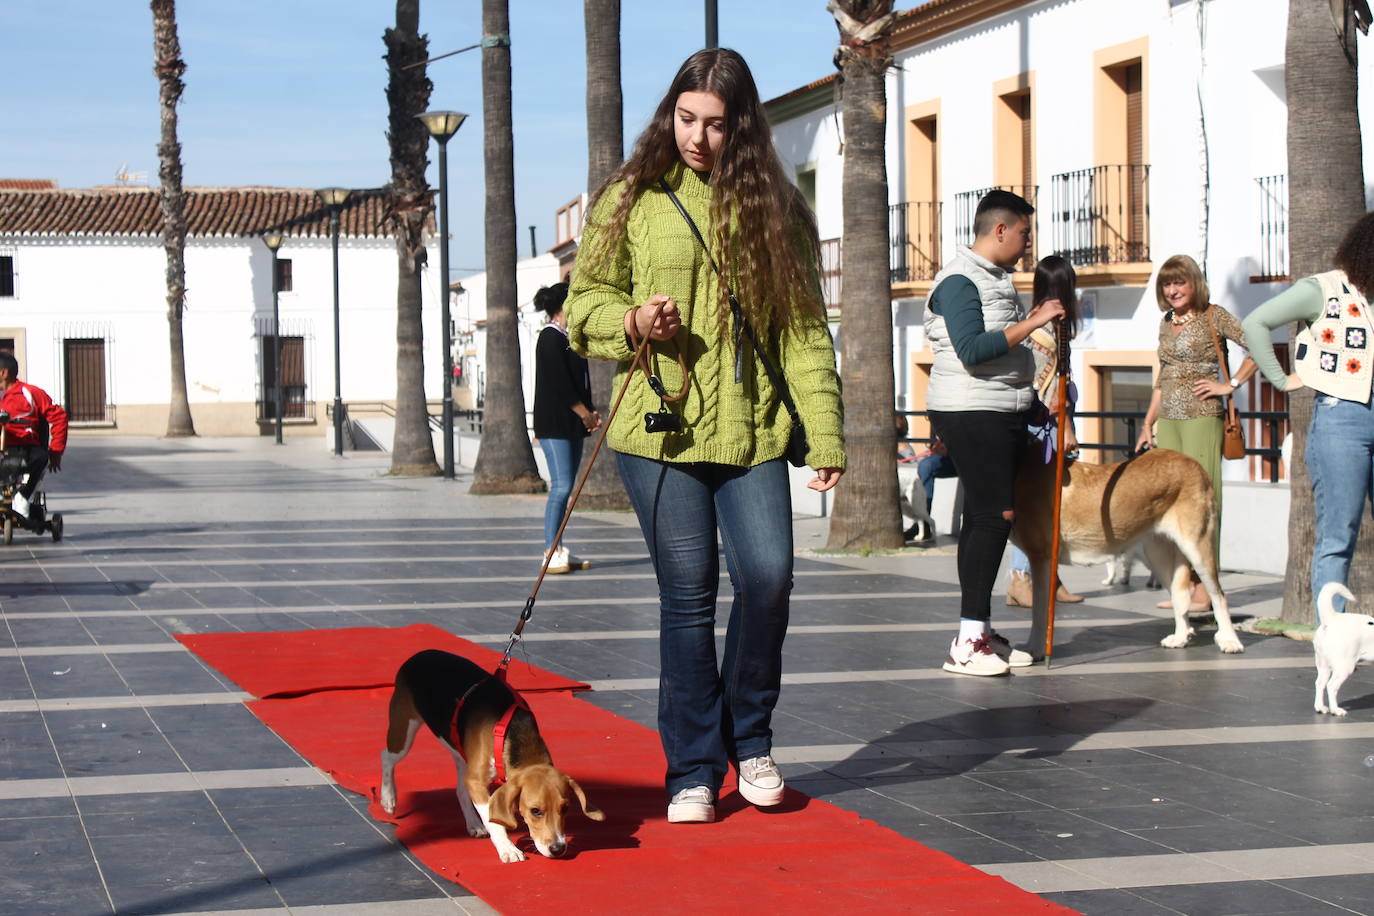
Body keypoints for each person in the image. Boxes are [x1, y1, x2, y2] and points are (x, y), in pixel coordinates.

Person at [565, 48, 845, 824]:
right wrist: (627, 321)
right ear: (670, 113)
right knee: (686, 600)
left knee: (768, 580)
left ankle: (746, 741)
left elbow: (804, 334)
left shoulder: (778, 210)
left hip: (752, 430)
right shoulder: (632, 195)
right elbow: (582, 304)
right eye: (686, 118)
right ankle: (693, 769)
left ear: (742, 127)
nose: (697, 136)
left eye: (716, 125)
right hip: (657, 435)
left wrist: (826, 433)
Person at [924, 190, 1065, 676]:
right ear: (1000, 230)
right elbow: (973, 350)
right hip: (971, 410)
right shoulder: (962, 280)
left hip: (997, 407)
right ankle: (967, 643)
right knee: (992, 515)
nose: (1028, 244)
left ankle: (978, 630)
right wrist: (1035, 321)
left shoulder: (992, 278)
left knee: (991, 518)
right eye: (1025, 233)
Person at [1242, 212, 1374, 614]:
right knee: (1338, 533)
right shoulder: (1323, 288)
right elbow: (1255, 322)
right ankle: (1331, 639)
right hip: (1342, 419)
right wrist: (1282, 380)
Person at [1133, 255, 1257, 611]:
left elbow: (1257, 345)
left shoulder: (1214, 316)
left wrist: (1229, 385)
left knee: (1203, 503)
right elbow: (1163, 376)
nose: (1173, 290)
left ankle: (1209, 587)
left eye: (1179, 283)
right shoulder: (1164, 322)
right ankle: (1183, 585)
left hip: (1202, 417)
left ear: (1194, 284)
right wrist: (1147, 422)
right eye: (1167, 284)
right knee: (1171, 505)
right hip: (1168, 421)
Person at [1006, 254, 1084, 609]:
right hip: (1045, 426)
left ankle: (1047, 579)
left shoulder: (1032, 321)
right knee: (1038, 505)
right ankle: (1023, 579)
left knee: (1040, 504)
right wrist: (1066, 426)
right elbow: (1055, 386)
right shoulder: (1052, 327)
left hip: (1035, 422)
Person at [532, 282, 600, 574]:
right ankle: (550, 549)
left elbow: (580, 382)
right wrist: (584, 413)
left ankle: (559, 546)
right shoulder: (549, 338)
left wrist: (589, 413)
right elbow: (560, 384)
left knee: (567, 487)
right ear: (563, 306)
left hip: (571, 425)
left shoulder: (568, 338)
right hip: (555, 425)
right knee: (560, 488)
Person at [0, 352, 67, 518]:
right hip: (3, 446)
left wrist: (56, 451)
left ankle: (22, 496)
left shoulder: (30, 393)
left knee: (40, 457)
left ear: (4, 373)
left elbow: (59, 417)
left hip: (26, 447)